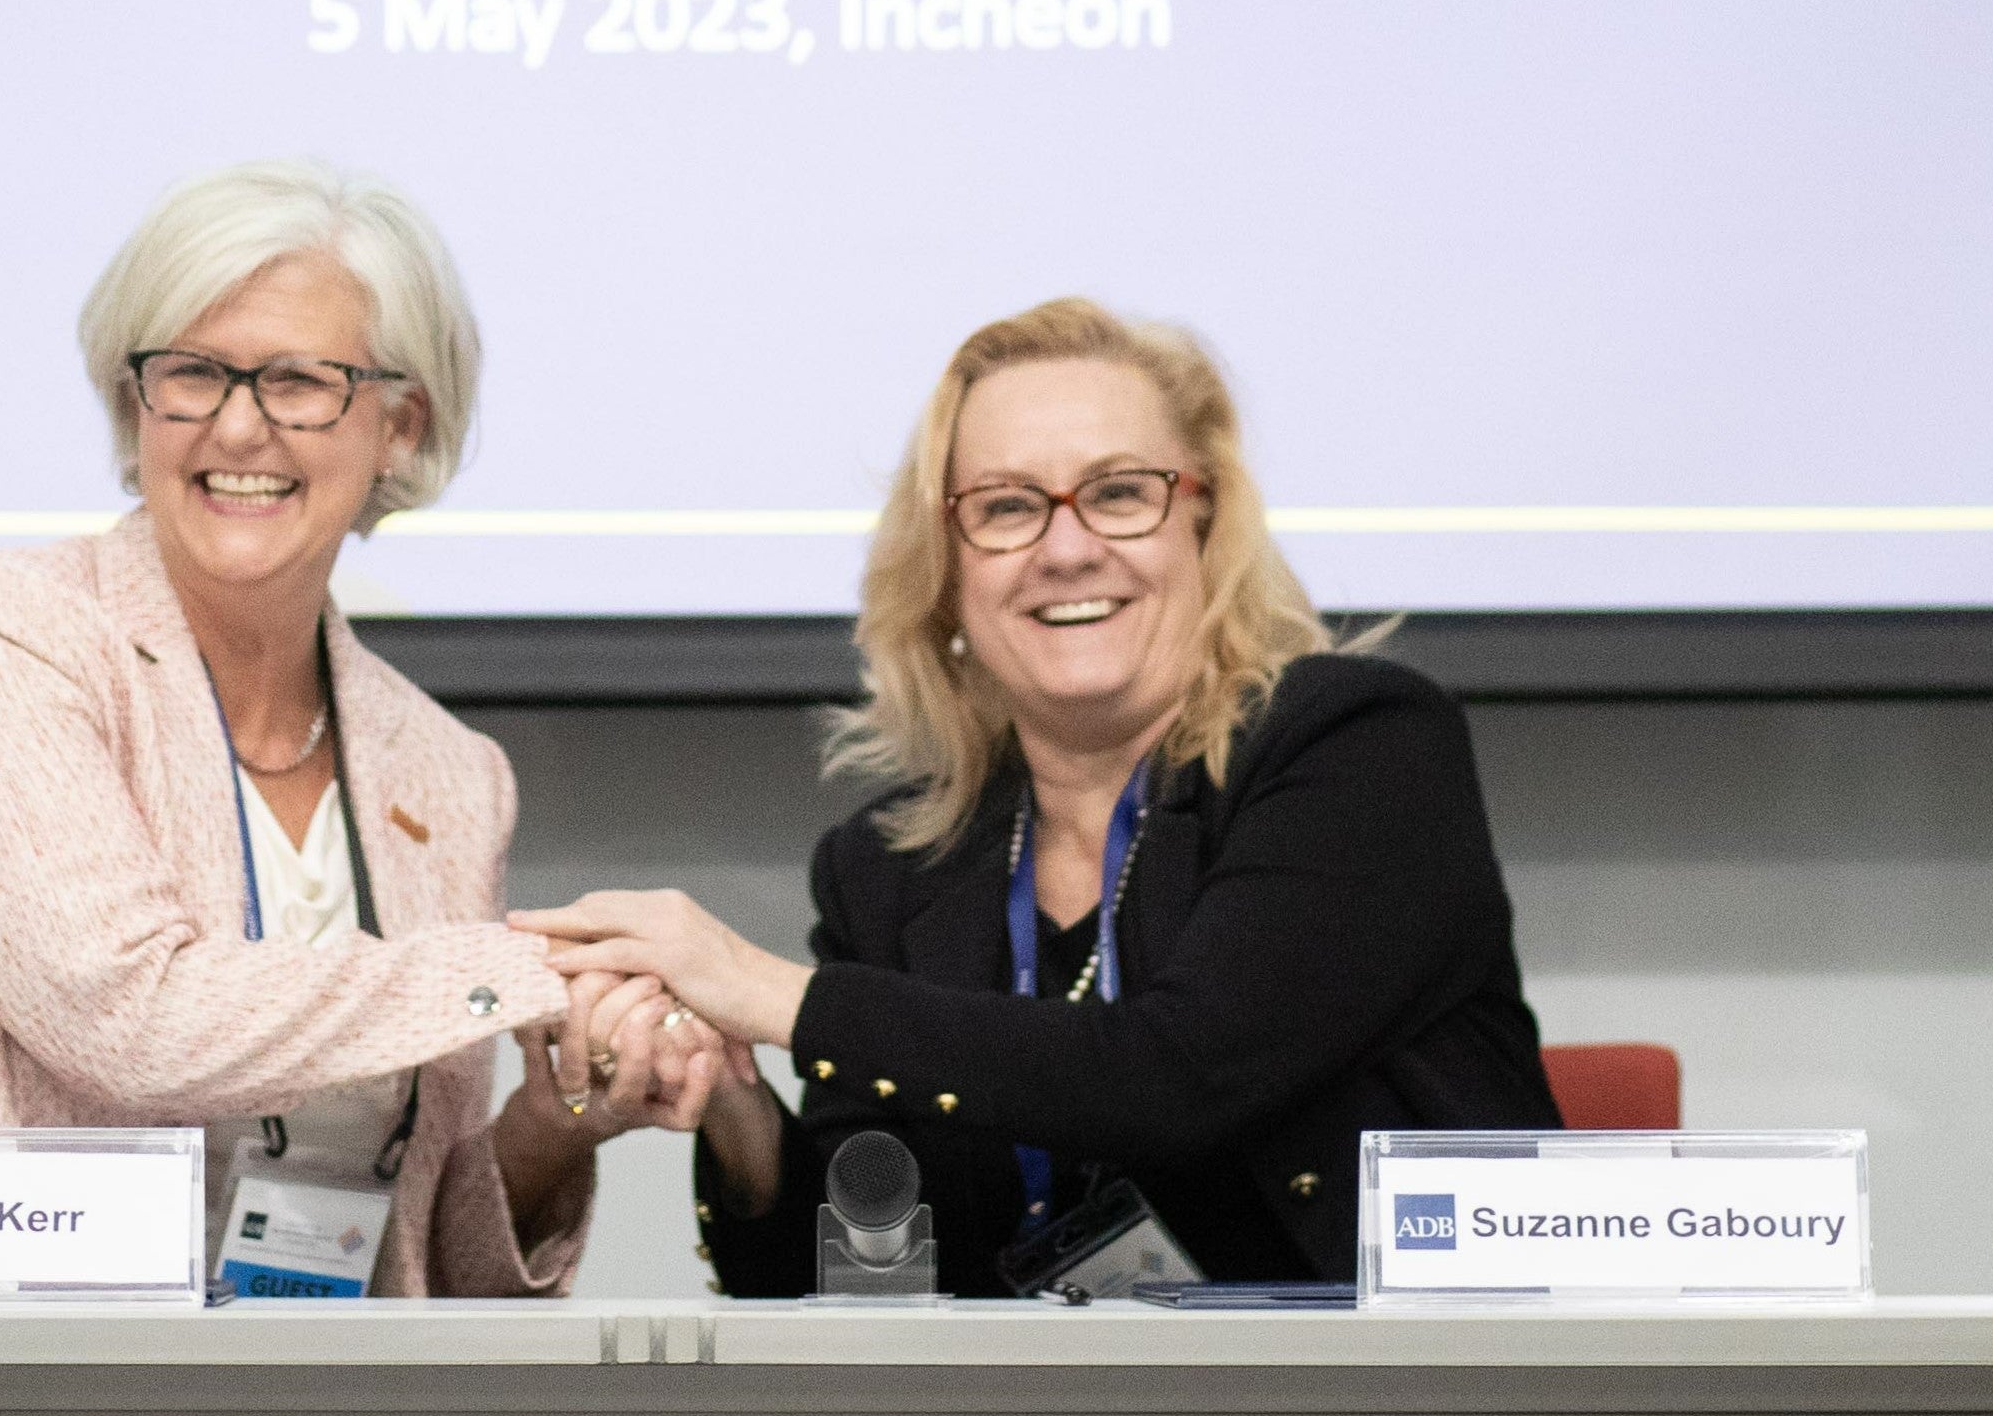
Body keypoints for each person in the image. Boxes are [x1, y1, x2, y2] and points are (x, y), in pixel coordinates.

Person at [0, 157, 718, 1295]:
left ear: (398, 424)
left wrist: (555, 1121)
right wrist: (534, 970)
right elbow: (124, 1020)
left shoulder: (450, 771)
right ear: (139, 404)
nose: (237, 427)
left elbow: (416, 1273)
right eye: (191, 374)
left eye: (295, 381)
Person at [514, 295, 1557, 1293]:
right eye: (1007, 507)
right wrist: (730, 1094)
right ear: (947, 572)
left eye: (1116, 493)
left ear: (1204, 523)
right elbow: (835, 1283)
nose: (1065, 549)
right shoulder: (892, 870)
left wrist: (765, 988)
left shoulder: (1356, 746)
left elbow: (1177, 1076)